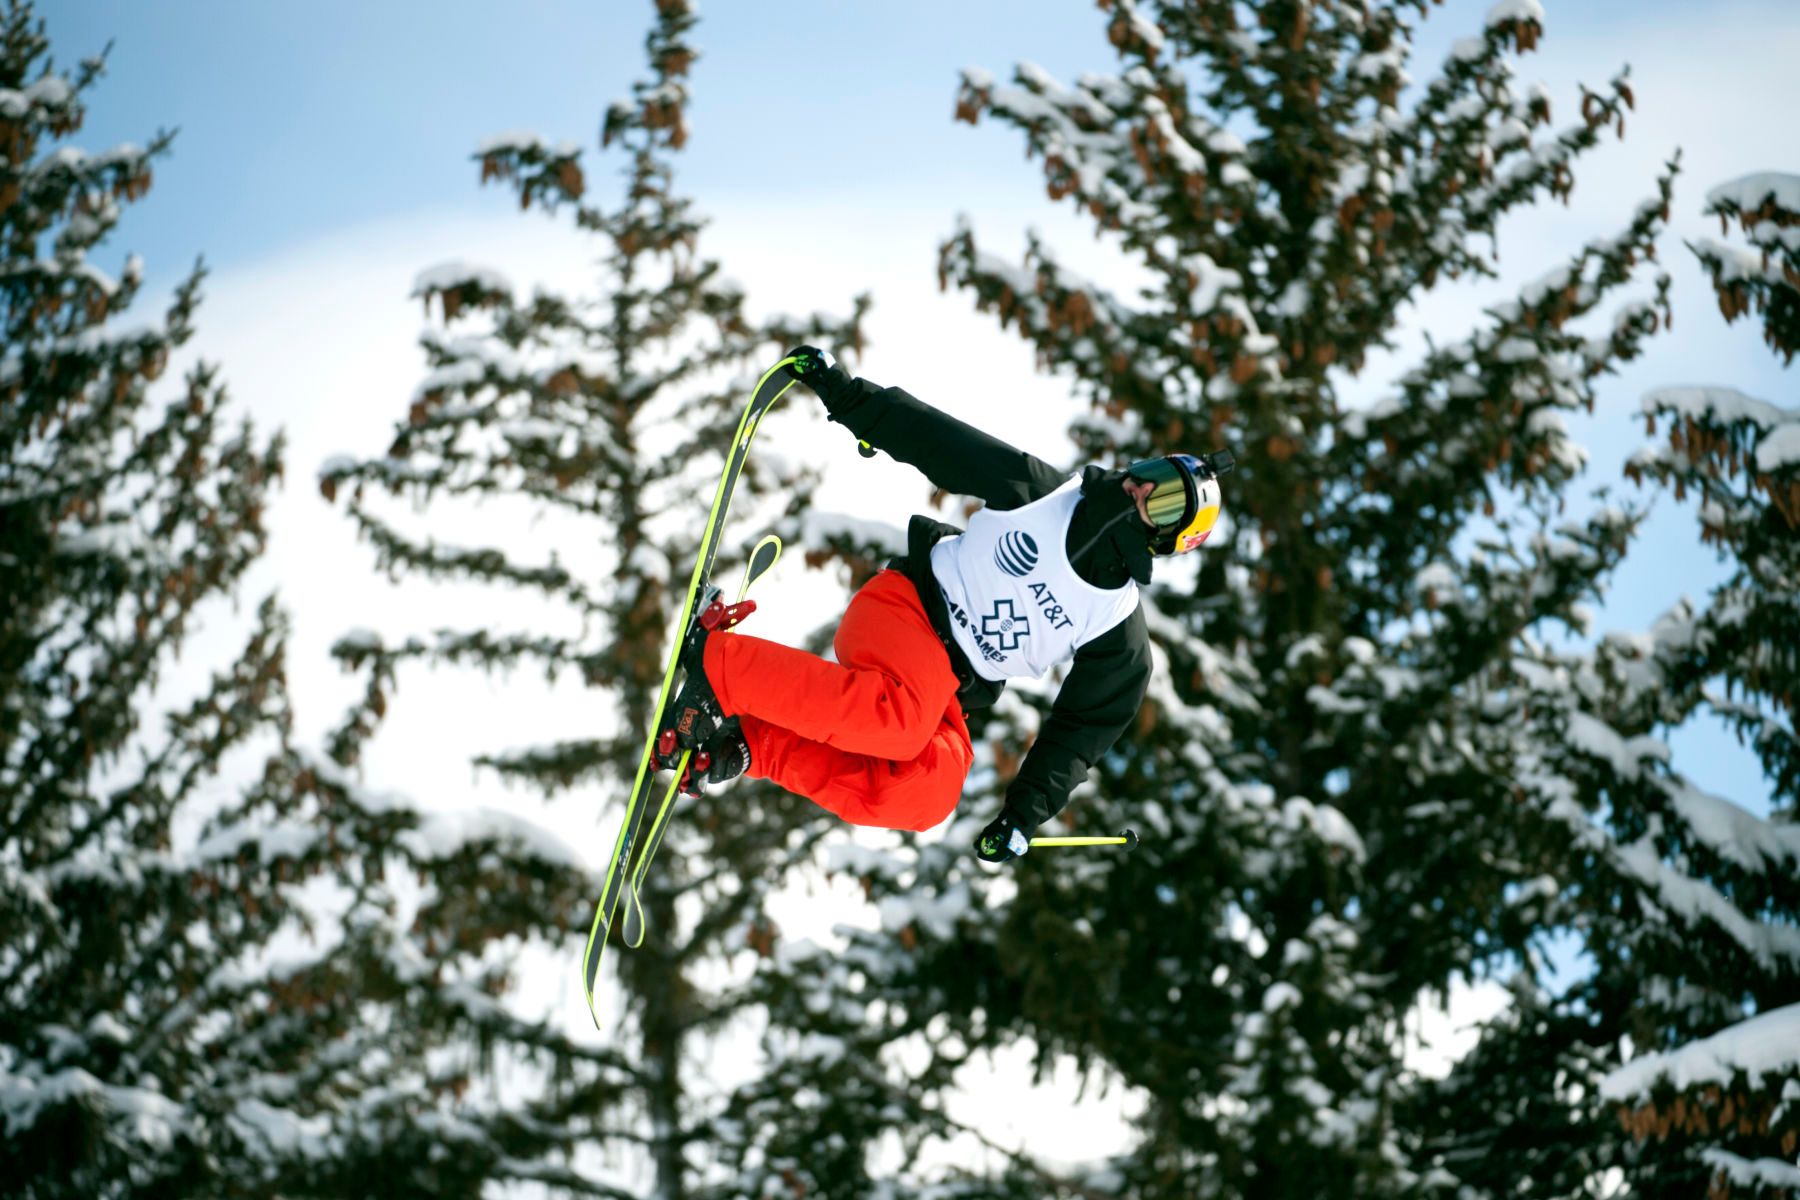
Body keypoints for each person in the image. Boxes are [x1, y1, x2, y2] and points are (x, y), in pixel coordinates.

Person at [660, 347, 1230, 863]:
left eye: (1168, 499)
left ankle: (744, 742)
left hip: (949, 689)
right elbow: (935, 440)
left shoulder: (1118, 635)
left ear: (1170, 540)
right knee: (900, 720)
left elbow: (1081, 730)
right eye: (1155, 473)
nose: (1144, 490)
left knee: (927, 792)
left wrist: (1020, 816)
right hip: (908, 609)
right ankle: (721, 668)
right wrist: (844, 393)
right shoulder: (1043, 494)